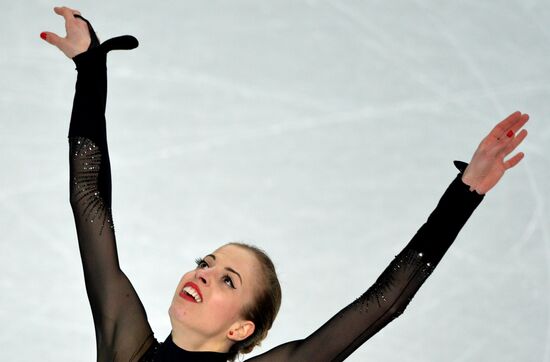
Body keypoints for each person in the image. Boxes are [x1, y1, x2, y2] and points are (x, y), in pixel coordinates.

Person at [41, 6, 529, 362]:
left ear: (241, 328)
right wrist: (90, 68)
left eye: (226, 279)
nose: (203, 274)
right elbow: (87, 196)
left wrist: (466, 193)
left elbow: (384, 302)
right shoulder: (124, 341)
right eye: (207, 264)